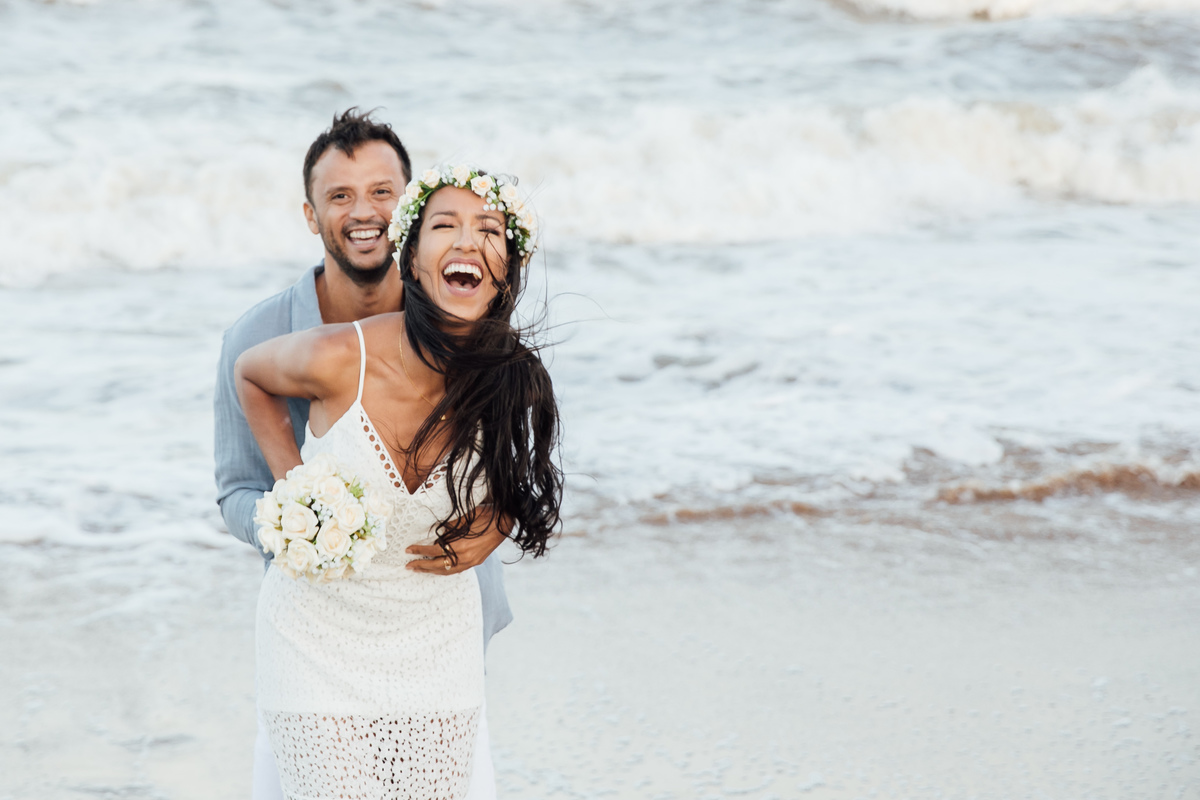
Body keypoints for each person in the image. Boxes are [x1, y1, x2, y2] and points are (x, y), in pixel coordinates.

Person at [233, 163, 561, 799]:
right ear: (411, 260)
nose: (467, 241)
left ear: (508, 269)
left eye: (488, 229)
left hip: (437, 646)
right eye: (445, 225)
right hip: (313, 644)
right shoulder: (338, 355)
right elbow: (249, 372)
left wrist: (499, 520)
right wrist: (293, 486)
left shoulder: (512, 379)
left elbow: (517, 483)